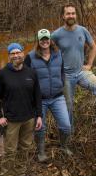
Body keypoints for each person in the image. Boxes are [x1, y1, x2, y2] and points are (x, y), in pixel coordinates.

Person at [0, 42, 43, 176]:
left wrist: (39, 115)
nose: (15, 56)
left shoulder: (31, 73)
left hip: (29, 118)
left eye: (18, 52)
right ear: (9, 56)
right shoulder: (2, 74)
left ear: (23, 53)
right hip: (11, 120)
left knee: (25, 147)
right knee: (10, 150)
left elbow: (37, 96)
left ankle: (20, 173)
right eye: (12, 53)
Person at [51, 3, 96, 129]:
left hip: (81, 72)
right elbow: (44, 49)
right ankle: (68, 133)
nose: (71, 15)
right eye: (68, 13)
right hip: (66, 76)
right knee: (68, 105)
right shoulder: (56, 34)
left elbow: (93, 46)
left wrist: (89, 64)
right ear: (63, 16)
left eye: (73, 13)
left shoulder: (82, 30)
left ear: (76, 15)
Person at [25, 29, 72, 162]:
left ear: (50, 40)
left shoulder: (58, 54)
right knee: (40, 127)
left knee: (66, 125)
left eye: (47, 38)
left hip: (58, 97)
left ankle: (64, 147)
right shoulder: (30, 57)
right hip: (40, 100)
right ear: (38, 41)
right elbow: (26, 77)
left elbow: (62, 71)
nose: (45, 41)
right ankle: (41, 152)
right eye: (42, 39)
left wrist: (61, 82)